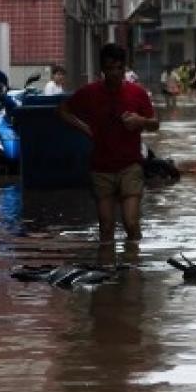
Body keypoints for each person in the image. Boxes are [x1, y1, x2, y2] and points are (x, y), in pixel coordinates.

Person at [59, 43, 160, 244]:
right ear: (102, 69)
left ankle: (133, 266)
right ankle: (107, 269)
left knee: (131, 223)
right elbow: (62, 110)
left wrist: (140, 121)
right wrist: (86, 129)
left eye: (119, 68)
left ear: (125, 68)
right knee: (106, 228)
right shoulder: (89, 93)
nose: (115, 73)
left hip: (130, 165)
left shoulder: (137, 93)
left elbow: (155, 123)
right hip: (101, 168)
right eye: (109, 68)